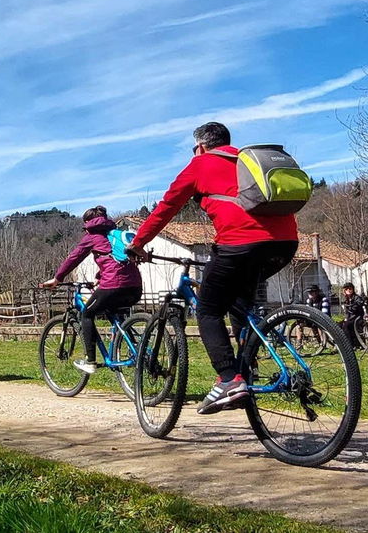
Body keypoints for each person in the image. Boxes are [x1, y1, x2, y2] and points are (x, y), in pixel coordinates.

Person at [128, 122, 299, 414]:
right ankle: (247, 368)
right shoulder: (248, 162)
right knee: (239, 304)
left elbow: (166, 208)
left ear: (201, 146)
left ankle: (229, 379)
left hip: (240, 244)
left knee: (207, 309)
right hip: (285, 244)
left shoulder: (200, 164)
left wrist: (138, 243)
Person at [41, 206, 143, 374]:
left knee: (87, 314)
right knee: (114, 314)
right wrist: (99, 277)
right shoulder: (113, 234)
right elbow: (114, 261)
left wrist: (57, 278)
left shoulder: (92, 236)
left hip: (114, 285)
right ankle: (137, 350)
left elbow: (74, 257)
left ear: (88, 222)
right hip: (135, 287)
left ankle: (90, 361)